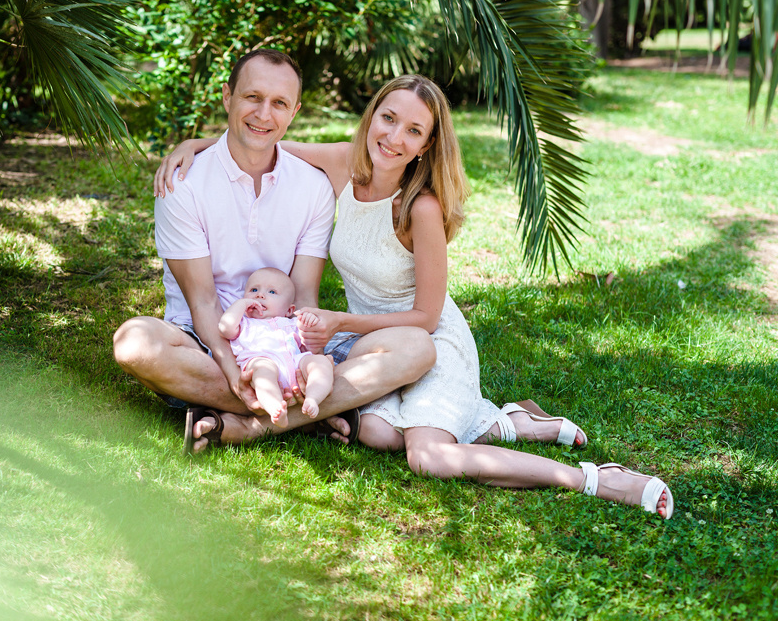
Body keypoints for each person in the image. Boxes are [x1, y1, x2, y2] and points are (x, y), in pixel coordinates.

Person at [155, 74, 674, 517]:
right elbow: (261, 142)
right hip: (373, 343)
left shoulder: (420, 208)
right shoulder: (343, 164)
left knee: (428, 457)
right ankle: (504, 421)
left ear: (426, 144)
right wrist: (191, 147)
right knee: (377, 433)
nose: (394, 137)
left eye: (413, 131)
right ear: (371, 117)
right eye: (387, 118)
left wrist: (338, 322)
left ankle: (591, 477)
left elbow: (427, 316)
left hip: (427, 339)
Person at [113, 50, 437, 456]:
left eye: (279, 103)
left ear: (294, 112)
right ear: (228, 97)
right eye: (253, 97)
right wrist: (234, 372)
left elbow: (303, 296)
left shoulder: (313, 186)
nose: (264, 114)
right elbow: (204, 301)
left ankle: (250, 425)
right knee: (133, 343)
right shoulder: (183, 183)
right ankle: (313, 412)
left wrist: (304, 361)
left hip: (284, 340)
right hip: (205, 342)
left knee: (417, 346)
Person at [220, 267, 334, 427]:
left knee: (320, 362)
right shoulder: (243, 322)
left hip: (295, 363)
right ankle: (275, 407)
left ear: (289, 310)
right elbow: (225, 328)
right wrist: (241, 304)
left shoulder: (291, 322)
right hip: (262, 361)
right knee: (261, 371)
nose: (259, 295)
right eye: (253, 290)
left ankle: (313, 398)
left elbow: (310, 346)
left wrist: (309, 322)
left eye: (272, 292)